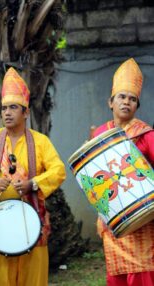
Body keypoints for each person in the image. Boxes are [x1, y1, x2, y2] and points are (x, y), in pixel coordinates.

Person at [0, 67, 66, 286]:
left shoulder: (40, 142)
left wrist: (33, 184)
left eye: (13, 108)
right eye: (4, 108)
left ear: (25, 113)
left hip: (32, 223)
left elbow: (58, 171)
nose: (6, 112)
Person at [92, 58, 154, 286]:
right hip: (113, 223)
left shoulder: (146, 134)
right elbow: (93, 178)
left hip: (142, 221)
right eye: (122, 97)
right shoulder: (99, 134)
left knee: (142, 276)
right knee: (115, 277)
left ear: (137, 105)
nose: (126, 102)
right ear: (111, 102)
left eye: (132, 99)